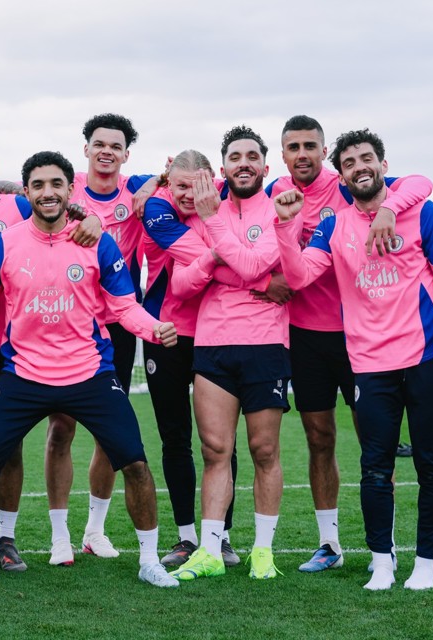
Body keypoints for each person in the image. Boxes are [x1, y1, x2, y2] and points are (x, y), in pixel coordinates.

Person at [0, 151, 179, 588]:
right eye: (38, 185)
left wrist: (155, 328)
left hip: (88, 372)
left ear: (70, 189)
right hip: (23, 375)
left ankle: (150, 560)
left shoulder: (96, 242)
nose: (47, 192)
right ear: (27, 191)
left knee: (135, 463)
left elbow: (124, 308)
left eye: (56, 184)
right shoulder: (3, 245)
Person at [273, 128, 433, 590]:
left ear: (383, 163)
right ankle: (383, 562)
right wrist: (284, 228)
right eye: (349, 162)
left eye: (367, 159)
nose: (359, 167)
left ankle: (426, 565)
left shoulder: (420, 209)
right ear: (340, 174)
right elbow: (299, 277)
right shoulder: (335, 224)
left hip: (424, 358)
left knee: (430, 464)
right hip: (369, 363)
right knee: (375, 466)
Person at [0, 128, 102, 572]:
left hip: (7, 348)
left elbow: (66, 207)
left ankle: (5, 538)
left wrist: (93, 220)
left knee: (5, 447)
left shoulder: (16, 205)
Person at [166, 126, 289, 581]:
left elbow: (257, 264)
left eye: (251, 156)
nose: (243, 163)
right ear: (222, 169)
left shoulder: (277, 212)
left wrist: (218, 239)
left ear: (264, 165)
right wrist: (218, 259)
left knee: (263, 449)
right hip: (213, 343)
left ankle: (262, 551)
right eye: (234, 156)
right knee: (215, 450)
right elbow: (181, 286)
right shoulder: (197, 217)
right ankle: (211, 551)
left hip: (265, 344)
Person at [43, 114, 152, 564]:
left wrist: (157, 181)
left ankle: (95, 529)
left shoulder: (140, 188)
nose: (107, 151)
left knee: (110, 433)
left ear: (126, 155)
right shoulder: (64, 190)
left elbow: (189, 174)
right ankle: (59, 534)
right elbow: (10, 190)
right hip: (67, 323)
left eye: (116, 146)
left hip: (120, 325)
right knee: (60, 429)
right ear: (85, 149)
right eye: (99, 144)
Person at [139, 151, 242, 567]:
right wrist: (226, 247)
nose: (186, 194)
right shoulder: (157, 205)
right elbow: (214, 257)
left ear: (211, 179)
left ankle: (222, 536)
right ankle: (185, 537)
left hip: (215, 334)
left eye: (194, 186)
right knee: (175, 437)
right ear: (168, 182)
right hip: (164, 335)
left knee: (220, 442)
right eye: (179, 185)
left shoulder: (226, 198)